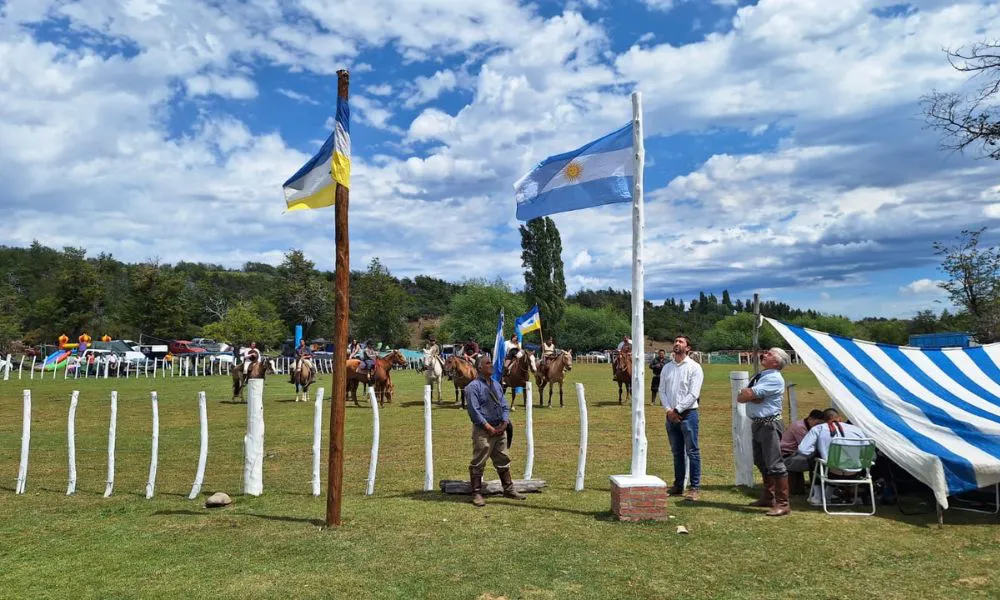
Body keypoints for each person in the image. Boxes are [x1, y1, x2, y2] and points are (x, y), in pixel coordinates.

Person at [738, 347, 793, 516]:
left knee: (775, 463)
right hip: (758, 423)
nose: (764, 355)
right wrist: (751, 395)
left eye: (769, 354)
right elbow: (741, 396)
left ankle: (783, 503)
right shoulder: (761, 375)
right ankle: (768, 497)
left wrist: (750, 395)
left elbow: (748, 394)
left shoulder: (774, 379)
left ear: (776, 362)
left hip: (770, 425)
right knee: (761, 461)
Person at [465, 355, 525, 507]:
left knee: (503, 459)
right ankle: (477, 493)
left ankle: (508, 489)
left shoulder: (497, 385)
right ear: (479, 368)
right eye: (488, 363)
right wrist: (488, 427)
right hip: (483, 430)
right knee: (479, 461)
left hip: (500, 427)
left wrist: (504, 422)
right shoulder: (472, 387)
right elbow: (474, 411)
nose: (491, 365)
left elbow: (504, 405)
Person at [658, 336, 705, 501]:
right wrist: (668, 410)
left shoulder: (694, 367)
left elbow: (694, 393)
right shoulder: (667, 368)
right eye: (675, 341)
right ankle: (678, 485)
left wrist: (677, 409)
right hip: (671, 415)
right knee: (676, 451)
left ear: (688, 348)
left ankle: (694, 487)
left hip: (688, 415)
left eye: (681, 342)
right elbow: (661, 390)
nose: (677, 344)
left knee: (692, 451)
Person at [786, 408, 868, 476]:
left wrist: (817, 450)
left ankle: (818, 494)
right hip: (857, 470)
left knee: (815, 459)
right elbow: (868, 450)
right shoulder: (856, 429)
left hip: (831, 472)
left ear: (823, 421)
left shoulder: (819, 429)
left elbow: (803, 450)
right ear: (840, 418)